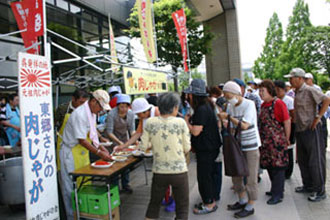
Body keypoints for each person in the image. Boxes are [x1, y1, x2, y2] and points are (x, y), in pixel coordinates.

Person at [60, 90, 112, 219]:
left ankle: (84, 213)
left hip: (82, 152)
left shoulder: (92, 113)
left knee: (83, 183)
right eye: (100, 106)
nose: (100, 110)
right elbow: (82, 140)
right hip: (71, 153)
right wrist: (99, 152)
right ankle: (72, 216)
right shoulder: (80, 114)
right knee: (70, 188)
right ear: (94, 101)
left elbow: (92, 135)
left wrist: (101, 147)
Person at [140, 92, 191, 220]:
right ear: (174, 108)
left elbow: (143, 146)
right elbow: (187, 148)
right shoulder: (180, 122)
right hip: (179, 172)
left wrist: (155, 144)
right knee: (182, 208)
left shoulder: (150, 122)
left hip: (159, 172)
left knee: (154, 204)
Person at [284, 68, 330, 202]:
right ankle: (308, 185)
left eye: (291, 78)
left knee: (315, 161)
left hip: (311, 130)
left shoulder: (309, 90)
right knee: (303, 160)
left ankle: (320, 191)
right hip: (300, 130)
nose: (289, 81)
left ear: (299, 78)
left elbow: (326, 100)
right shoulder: (296, 92)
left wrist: (318, 117)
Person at [219, 81, 261, 218]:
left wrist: (229, 117)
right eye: (225, 95)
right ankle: (242, 199)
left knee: (251, 177)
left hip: (251, 146)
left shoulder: (249, 104)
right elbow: (231, 126)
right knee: (235, 174)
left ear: (237, 93)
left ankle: (251, 205)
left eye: (228, 95)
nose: (227, 98)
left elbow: (245, 126)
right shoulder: (229, 106)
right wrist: (224, 121)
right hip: (237, 145)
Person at [184, 79, 221, 215]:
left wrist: (186, 121)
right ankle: (209, 200)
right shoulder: (207, 106)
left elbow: (195, 131)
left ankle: (209, 204)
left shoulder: (201, 109)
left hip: (207, 149)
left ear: (194, 95)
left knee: (204, 177)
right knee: (207, 175)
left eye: (189, 95)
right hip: (210, 147)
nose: (188, 97)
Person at [258, 80, 291, 205]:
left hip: (277, 142)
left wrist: (287, 138)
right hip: (266, 142)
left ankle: (278, 194)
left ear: (270, 91)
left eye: (263, 91)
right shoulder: (263, 105)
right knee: (270, 166)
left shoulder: (279, 104)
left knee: (278, 168)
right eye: (259, 91)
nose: (260, 93)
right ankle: (274, 189)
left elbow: (286, 121)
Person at [106, 94, 135, 193]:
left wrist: (135, 140)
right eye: (121, 106)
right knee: (114, 163)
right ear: (117, 105)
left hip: (124, 138)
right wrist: (119, 143)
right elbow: (109, 132)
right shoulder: (111, 114)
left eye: (126, 107)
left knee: (125, 161)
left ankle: (126, 184)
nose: (124, 109)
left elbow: (132, 130)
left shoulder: (131, 114)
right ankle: (114, 187)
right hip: (113, 139)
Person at [55, 89, 89, 169]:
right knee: (66, 171)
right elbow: (55, 123)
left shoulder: (86, 109)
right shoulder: (62, 109)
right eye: (81, 102)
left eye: (85, 103)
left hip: (81, 145)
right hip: (65, 143)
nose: (83, 105)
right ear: (73, 99)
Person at [274, 80, 296, 179]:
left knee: (289, 150)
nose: (277, 92)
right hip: (278, 128)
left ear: (283, 90)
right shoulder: (274, 100)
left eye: (278, 90)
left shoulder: (289, 100)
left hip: (289, 126)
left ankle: (288, 172)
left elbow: (293, 115)